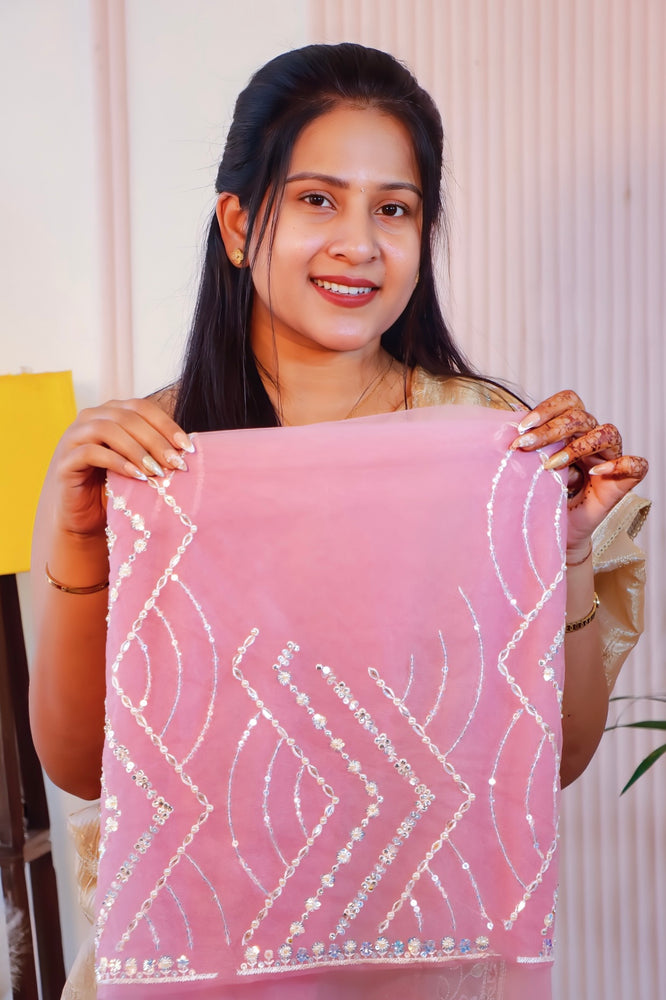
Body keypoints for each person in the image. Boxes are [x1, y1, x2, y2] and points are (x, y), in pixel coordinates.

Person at [29, 42, 647, 999]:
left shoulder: (494, 445)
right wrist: (74, 534)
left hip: (422, 971)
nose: (359, 243)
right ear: (240, 223)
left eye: (394, 209)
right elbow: (80, 766)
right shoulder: (151, 458)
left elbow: (552, 761)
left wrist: (557, 552)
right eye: (318, 199)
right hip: (192, 970)